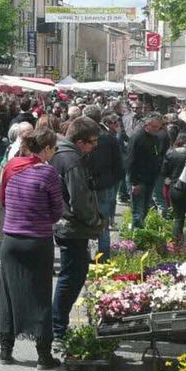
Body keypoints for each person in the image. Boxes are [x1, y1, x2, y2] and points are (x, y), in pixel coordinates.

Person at [0, 128, 64, 370]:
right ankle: (43, 356)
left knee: (8, 294)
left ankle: (5, 350)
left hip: (11, 240)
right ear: (45, 149)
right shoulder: (47, 173)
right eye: (54, 148)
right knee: (40, 295)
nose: (54, 153)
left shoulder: (11, 166)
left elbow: (3, 199)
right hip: (37, 240)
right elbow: (58, 210)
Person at [50, 117, 103, 345]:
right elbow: (79, 199)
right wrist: (95, 220)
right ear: (81, 141)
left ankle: (57, 326)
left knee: (71, 276)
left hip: (66, 224)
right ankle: (57, 329)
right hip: (72, 227)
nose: (94, 147)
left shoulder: (60, 153)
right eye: (92, 142)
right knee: (71, 277)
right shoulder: (71, 159)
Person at [84, 107, 124, 261]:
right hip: (104, 184)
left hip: (88, 183)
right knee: (103, 222)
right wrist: (114, 181)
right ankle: (104, 257)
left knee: (85, 221)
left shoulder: (82, 137)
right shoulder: (108, 137)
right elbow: (118, 163)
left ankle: (87, 256)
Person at [126, 112, 166, 228]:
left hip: (150, 178)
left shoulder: (155, 137)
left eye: (158, 127)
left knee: (145, 208)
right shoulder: (137, 137)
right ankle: (136, 235)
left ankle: (138, 231)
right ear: (147, 125)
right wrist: (134, 183)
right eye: (154, 127)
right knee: (138, 210)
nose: (156, 129)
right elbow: (131, 161)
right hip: (139, 179)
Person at [162, 133, 186, 244]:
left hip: (176, 188)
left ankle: (176, 244)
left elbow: (164, 172)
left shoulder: (170, 153)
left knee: (178, 218)